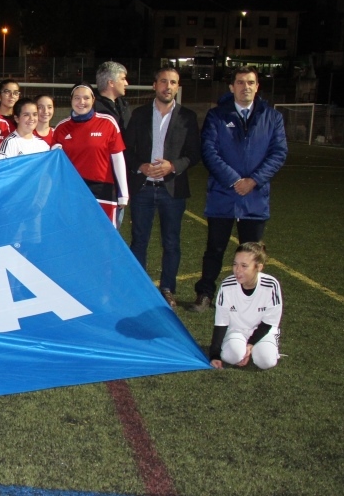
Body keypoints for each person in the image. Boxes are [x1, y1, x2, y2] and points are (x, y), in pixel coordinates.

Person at [193, 66, 287, 311]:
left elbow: (278, 153)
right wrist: (235, 180)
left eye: (250, 82)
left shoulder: (272, 116)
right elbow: (209, 152)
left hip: (255, 197)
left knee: (251, 254)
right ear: (232, 87)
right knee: (214, 248)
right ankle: (205, 294)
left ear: (257, 86)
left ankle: (248, 299)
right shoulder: (217, 116)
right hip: (223, 196)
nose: (246, 87)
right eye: (240, 82)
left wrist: (253, 180)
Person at [123, 66, 201, 308]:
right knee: (139, 241)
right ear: (154, 85)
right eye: (164, 81)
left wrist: (173, 166)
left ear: (178, 87)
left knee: (171, 242)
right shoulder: (139, 114)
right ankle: (139, 289)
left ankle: (167, 288)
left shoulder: (188, 117)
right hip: (143, 188)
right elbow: (127, 151)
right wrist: (142, 167)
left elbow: (194, 154)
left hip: (172, 190)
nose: (169, 86)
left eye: (174, 82)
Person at [52, 83, 128, 226]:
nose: (81, 102)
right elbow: (55, 164)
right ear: (71, 100)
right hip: (73, 190)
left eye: (86, 98)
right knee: (75, 233)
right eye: (77, 98)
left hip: (103, 189)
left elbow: (118, 158)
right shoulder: (61, 127)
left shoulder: (108, 123)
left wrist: (123, 193)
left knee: (104, 236)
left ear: (93, 100)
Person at [207, 243, 282, 370]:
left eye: (244, 266)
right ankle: (239, 347)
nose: (237, 270)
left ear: (259, 267)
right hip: (236, 330)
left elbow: (269, 322)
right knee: (231, 356)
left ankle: (264, 347)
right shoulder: (227, 286)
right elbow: (221, 323)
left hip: (263, 332)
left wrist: (251, 344)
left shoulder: (271, 285)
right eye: (235, 264)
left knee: (266, 361)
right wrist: (214, 355)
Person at [94, 61, 131, 131]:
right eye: (123, 79)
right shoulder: (94, 109)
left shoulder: (124, 105)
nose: (126, 83)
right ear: (111, 83)